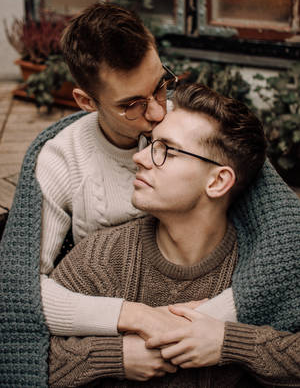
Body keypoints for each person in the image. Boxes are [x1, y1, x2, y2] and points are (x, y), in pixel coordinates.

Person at [1, 2, 300, 385]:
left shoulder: (195, 129)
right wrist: (134, 322)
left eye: (160, 84)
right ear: (86, 102)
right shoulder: (60, 161)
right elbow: (19, 291)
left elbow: (286, 235)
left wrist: (205, 325)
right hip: (110, 307)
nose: (159, 111)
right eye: (132, 105)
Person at [48, 84, 300, 387]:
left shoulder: (262, 271)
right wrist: (116, 356)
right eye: (150, 143)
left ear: (218, 181)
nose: (139, 158)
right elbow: (23, 350)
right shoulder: (103, 257)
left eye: (165, 150)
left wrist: (229, 343)